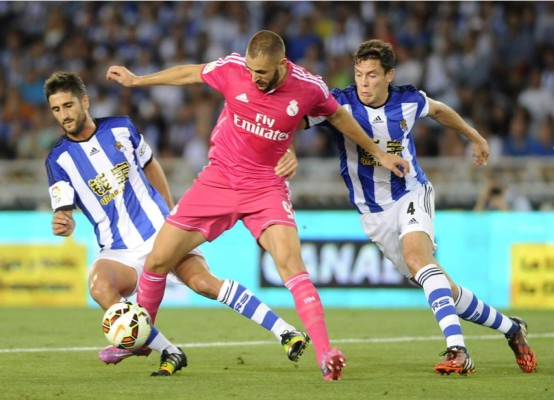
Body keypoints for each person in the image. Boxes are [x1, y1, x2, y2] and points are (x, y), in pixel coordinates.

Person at [106, 30, 410, 381]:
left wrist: (379, 154)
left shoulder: (308, 87)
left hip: (266, 188)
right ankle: (140, 338)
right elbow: (191, 72)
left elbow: (338, 117)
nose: (254, 78)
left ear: (282, 64)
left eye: (262, 72)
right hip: (218, 180)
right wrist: (139, 80)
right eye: (251, 71)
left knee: (291, 266)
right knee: (158, 259)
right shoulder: (234, 69)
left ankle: (326, 353)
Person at [44, 71, 310, 377]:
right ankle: (169, 351)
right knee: (99, 286)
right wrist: (62, 221)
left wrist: (172, 214)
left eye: (68, 105)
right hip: (118, 250)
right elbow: (63, 208)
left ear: (85, 102)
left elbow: (151, 166)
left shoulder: (120, 128)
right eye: (56, 109)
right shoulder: (58, 159)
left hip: (160, 231)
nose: (64, 115)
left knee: (205, 284)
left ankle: (286, 332)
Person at [304, 39, 537, 375]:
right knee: (441, 286)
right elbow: (293, 121)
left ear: (389, 75)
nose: (364, 82)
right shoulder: (338, 104)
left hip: (411, 192)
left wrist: (474, 136)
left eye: (372, 75)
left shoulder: (407, 100)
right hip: (373, 214)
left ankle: (458, 350)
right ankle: (511, 329)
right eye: (359, 75)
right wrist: (283, 148)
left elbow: (440, 110)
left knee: (417, 257)